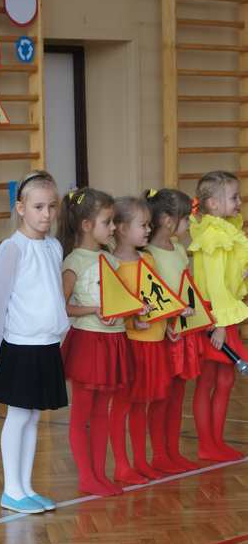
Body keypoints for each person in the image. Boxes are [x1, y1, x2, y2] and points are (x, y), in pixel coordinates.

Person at [0, 170, 69, 514]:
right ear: (21, 208)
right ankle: (11, 489)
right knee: (18, 416)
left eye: (52, 206)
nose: (46, 214)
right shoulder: (12, 249)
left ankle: (25, 486)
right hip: (20, 345)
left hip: (46, 344)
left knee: (34, 417)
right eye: (38, 207)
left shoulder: (53, 246)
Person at [58, 187, 131, 496]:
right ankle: (87, 477)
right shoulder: (74, 261)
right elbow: (62, 307)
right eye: (107, 222)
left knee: (103, 412)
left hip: (113, 341)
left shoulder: (110, 259)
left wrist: (131, 311)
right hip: (88, 343)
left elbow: (118, 300)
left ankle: (100, 474)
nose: (113, 228)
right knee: (82, 413)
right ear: (87, 225)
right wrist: (94, 310)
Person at [109, 196, 172, 484]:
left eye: (149, 225)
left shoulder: (148, 260)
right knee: (124, 404)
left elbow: (157, 297)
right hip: (131, 344)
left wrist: (169, 321)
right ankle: (122, 465)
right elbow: (114, 306)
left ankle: (141, 461)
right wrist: (132, 320)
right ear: (122, 228)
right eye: (143, 225)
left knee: (142, 404)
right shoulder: (113, 265)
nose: (148, 230)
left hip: (154, 342)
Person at [189, 170, 248, 461]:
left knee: (225, 382)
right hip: (214, 317)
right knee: (208, 381)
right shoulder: (212, 236)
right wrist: (220, 324)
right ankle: (206, 444)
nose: (240, 201)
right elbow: (213, 283)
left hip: (225, 315)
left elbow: (228, 278)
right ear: (213, 204)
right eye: (234, 197)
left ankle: (217, 442)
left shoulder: (227, 230)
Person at [144, 188, 200, 472]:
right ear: (168, 220)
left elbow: (186, 288)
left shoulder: (178, 250)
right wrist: (166, 323)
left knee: (178, 397)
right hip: (163, 335)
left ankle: (173, 452)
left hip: (183, 333)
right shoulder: (148, 255)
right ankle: (159, 455)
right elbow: (150, 295)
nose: (189, 224)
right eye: (186, 219)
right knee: (161, 397)